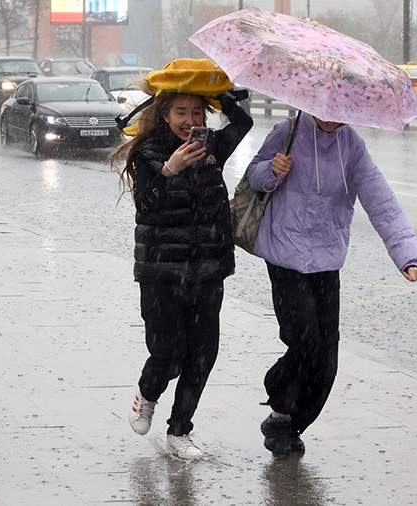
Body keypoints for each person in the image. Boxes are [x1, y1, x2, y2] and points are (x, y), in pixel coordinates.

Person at [246, 113, 417, 456]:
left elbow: (381, 202)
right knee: (305, 340)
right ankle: (280, 399)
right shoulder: (288, 132)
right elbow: (252, 177)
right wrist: (272, 170)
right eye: (325, 113)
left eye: (339, 116)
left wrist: (407, 254)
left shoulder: (352, 147)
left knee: (327, 358)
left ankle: (289, 423)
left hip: (327, 260)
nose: (331, 120)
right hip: (285, 255)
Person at [109, 59, 253, 459]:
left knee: (203, 352)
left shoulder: (212, 148)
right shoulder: (149, 152)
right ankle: (148, 392)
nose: (188, 121)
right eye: (180, 112)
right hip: (161, 270)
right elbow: (148, 208)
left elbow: (243, 124)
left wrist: (219, 96)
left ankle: (180, 431)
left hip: (209, 268)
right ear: (164, 114)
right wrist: (169, 171)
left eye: (195, 112)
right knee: (167, 352)